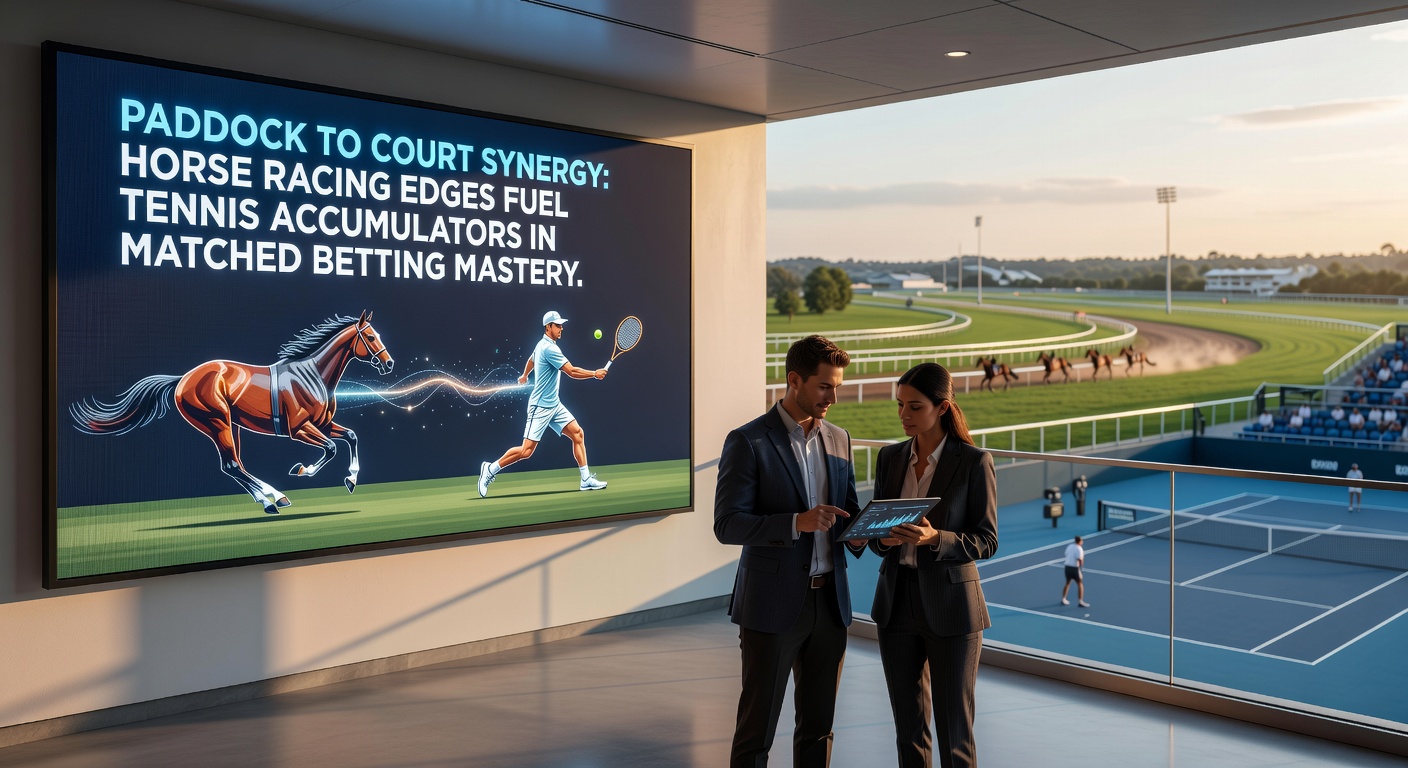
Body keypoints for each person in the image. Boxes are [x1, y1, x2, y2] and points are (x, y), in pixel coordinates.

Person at [714, 334, 863, 768]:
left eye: (837, 386)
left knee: (819, 728)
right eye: (824, 386)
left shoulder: (840, 439)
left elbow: (846, 510)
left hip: (830, 604)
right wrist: (795, 523)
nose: (833, 397)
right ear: (794, 380)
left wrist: (866, 533)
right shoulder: (748, 442)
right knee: (756, 731)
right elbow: (727, 524)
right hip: (771, 605)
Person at [868, 362, 997, 768]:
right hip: (896, 604)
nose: (904, 416)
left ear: (942, 408)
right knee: (908, 730)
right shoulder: (889, 458)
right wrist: (883, 539)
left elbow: (987, 540)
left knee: (954, 732)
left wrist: (934, 539)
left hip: (952, 607)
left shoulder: (974, 462)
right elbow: (877, 537)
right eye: (900, 406)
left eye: (915, 407)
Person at [478, 310, 607, 497]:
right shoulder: (549, 348)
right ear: (548, 327)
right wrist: (595, 373)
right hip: (540, 407)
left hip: (554, 404)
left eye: (562, 325)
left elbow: (531, 360)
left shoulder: (541, 345)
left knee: (578, 433)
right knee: (526, 451)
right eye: (558, 325)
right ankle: (490, 469)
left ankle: (586, 479)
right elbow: (571, 371)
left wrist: (524, 375)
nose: (562, 328)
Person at [1060, 535, 1090, 608]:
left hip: (1067, 567)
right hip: (1074, 569)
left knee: (1067, 583)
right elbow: (1080, 560)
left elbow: (1066, 554)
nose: (1082, 542)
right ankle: (1080, 601)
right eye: (1082, 540)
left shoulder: (1070, 546)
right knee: (1080, 584)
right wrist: (1080, 569)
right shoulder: (1079, 549)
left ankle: (1063, 599)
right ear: (1079, 541)